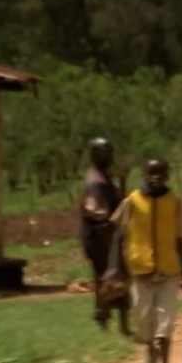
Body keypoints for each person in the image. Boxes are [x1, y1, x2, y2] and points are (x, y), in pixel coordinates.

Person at [110, 159, 182, 363]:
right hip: (140, 268)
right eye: (151, 173)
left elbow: (179, 238)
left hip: (169, 269)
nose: (156, 177)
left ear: (167, 176)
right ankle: (149, 354)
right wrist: (115, 269)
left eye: (160, 173)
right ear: (144, 175)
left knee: (165, 321)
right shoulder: (132, 202)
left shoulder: (175, 203)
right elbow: (119, 235)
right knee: (144, 319)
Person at [80, 137, 130, 335]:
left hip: (111, 237)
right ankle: (104, 319)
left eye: (108, 153)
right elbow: (95, 211)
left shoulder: (104, 178)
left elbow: (120, 204)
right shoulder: (95, 181)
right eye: (102, 153)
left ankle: (121, 324)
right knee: (107, 279)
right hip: (99, 238)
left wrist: (123, 180)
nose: (106, 157)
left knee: (118, 278)